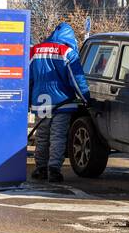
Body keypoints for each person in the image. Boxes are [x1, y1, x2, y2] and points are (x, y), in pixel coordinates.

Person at [28, 21, 90, 183]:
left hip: (41, 101)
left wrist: (27, 99)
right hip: (63, 102)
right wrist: (86, 98)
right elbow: (77, 79)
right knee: (58, 136)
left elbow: (28, 77)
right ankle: (54, 170)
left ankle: (40, 168)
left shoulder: (36, 50)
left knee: (42, 135)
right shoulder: (67, 52)